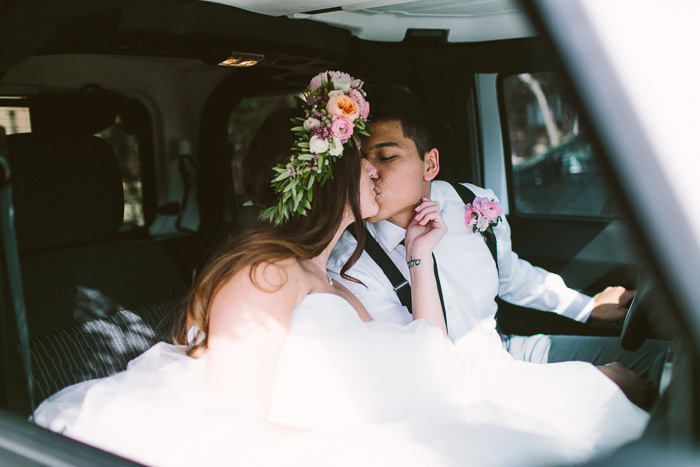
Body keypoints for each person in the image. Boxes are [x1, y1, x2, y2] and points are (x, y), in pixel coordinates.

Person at [32, 72, 648, 466]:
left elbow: (426, 352)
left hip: (413, 406)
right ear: (329, 180)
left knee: (620, 394)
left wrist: (419, 258)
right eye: (361, 159)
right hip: (335, 445)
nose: (375, 171)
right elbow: (231, 426)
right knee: (601, 411)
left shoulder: (336, 279)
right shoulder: (265, 277)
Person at [328, 87, 666, 385]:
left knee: (667, 361)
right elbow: (421, 371)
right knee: (616, 386)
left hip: (504, 352)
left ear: (430, 165)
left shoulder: (473, 203)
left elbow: (510, 275)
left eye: (386, 156)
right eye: (361, 160)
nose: (370, 171)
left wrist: (586, 306)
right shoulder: (351, 266)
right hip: (465, 389)